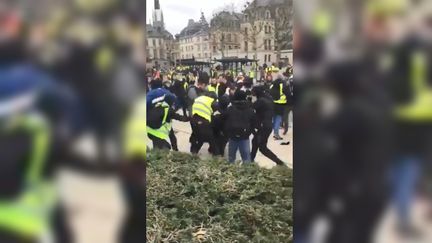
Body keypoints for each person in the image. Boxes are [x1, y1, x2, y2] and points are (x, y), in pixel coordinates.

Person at [251, 86, 286, 165]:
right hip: (267, 125)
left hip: (263, 126)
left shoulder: (260, 101)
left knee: (262, 147)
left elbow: (251, 107)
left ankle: (279, 162)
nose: (252, 94)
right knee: (255, 142)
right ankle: (250, 160)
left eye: (253, 92)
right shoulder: (268, 98)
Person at [190, 72, 220, 156]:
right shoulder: (193, 90)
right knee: (200, 136)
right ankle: (195, 151)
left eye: (201, 84)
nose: (200, 86)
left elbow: (214, 103)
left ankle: (195, 151)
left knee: (201, 136)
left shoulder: (207, 91)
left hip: (203, 116)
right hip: (197, 117)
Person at [221, 89, 256, 163]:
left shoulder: (230, 108)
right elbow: (253, 122)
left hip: (232, 135)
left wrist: (226, 131)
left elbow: (223, 118)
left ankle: (231, 172)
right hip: (244, 136)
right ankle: (247, 172)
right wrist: (249, 132)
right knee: (246, 158)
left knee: (231, 158)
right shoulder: (250, 109)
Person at [270, 75, 289, 140]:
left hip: (273, 103)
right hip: (281, 104)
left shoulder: (272, 85)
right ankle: (276, 134)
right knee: (278, 119)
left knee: (274, 118)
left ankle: (275, 133)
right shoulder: (283, 84)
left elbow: (269, 92)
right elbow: (287, 93)